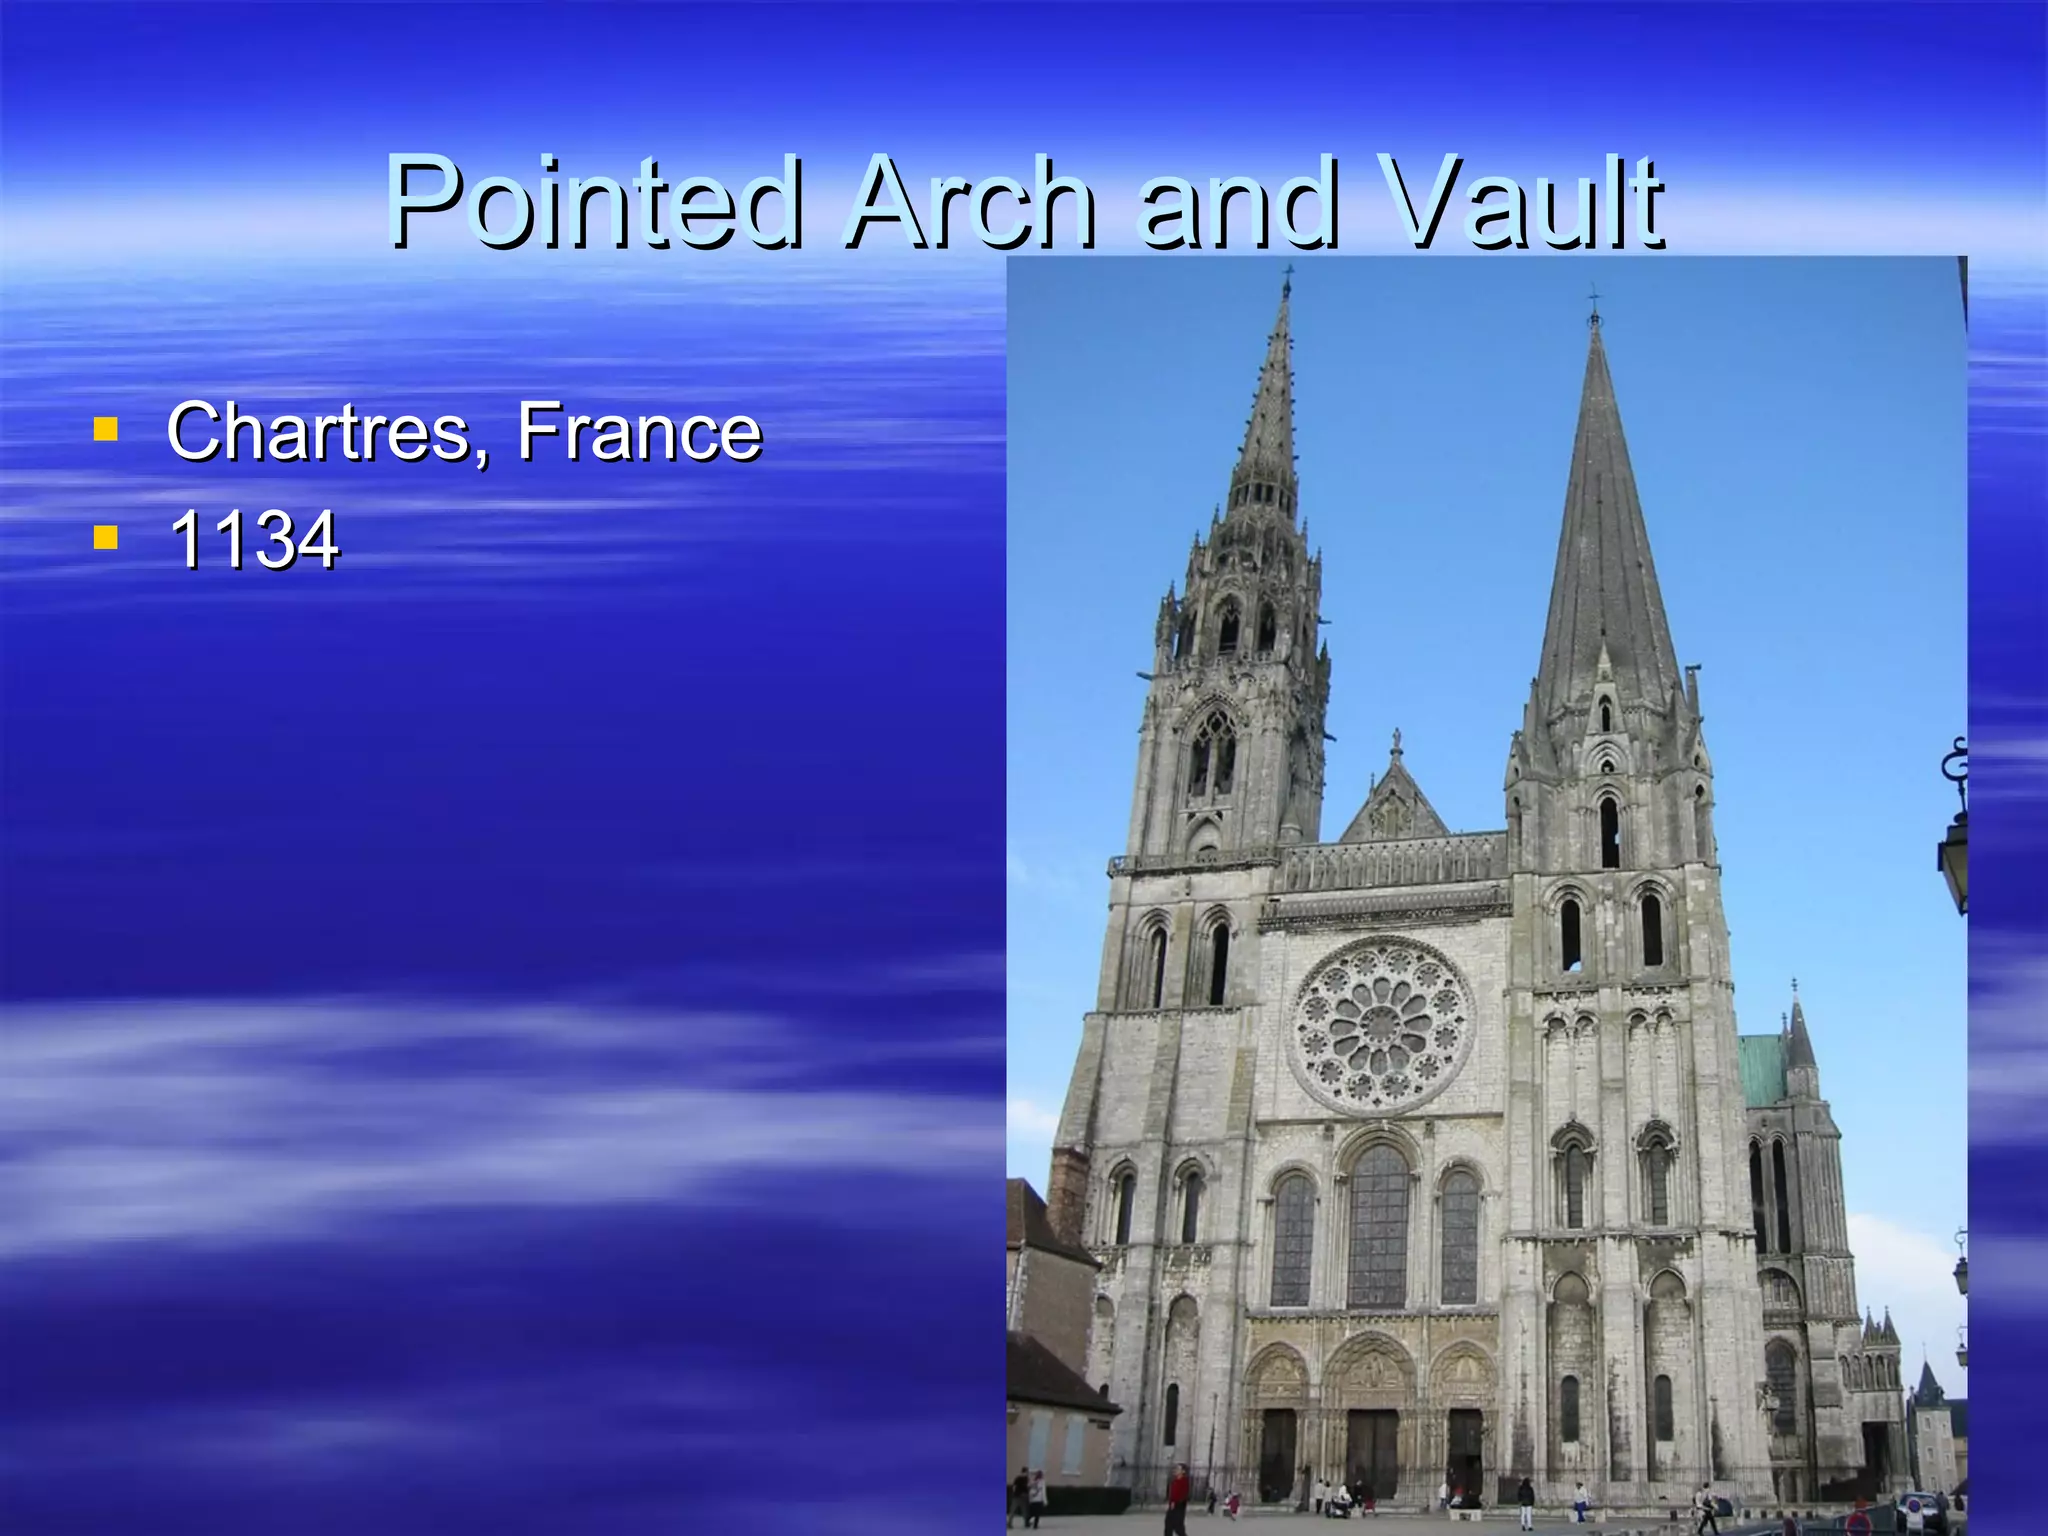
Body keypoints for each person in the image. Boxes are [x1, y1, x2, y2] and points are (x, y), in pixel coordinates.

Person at [1165, 1462, 1191, 1536]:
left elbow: (1183, 1495)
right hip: (1172, 1506)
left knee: (1178, 1527)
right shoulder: (1174, 1481)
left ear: (1183, 1471)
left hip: (1179, 1507)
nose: (1175, 1470)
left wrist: (1176, 1503)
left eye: (1178, 1469)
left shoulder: (1184, 1481)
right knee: (1168, 1525)